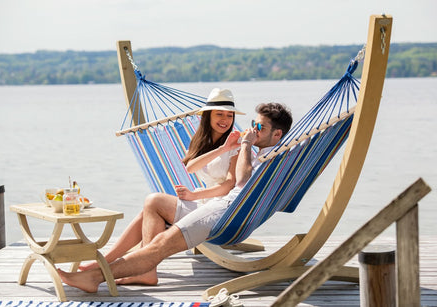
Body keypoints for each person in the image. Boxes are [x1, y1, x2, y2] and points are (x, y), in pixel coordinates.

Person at [58, 102, 293, 293]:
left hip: (225, 213)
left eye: (259, 127)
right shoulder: (272, 154)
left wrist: (244, 144)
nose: (252, 129)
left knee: (159, 245)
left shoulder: (271, 157)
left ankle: (95, 277)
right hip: (223, 209)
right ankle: (137, 271)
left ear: (277, 134)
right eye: (253, 123)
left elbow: (240, 182)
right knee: (155, 209)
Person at [78, 88, 245, 285]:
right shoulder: (204, 140)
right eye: (220, 114)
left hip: (217, 211)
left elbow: (229, 185)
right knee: (147, 212)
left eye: (229, 114)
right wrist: (221, 149)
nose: (225, 119)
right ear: (208, 116)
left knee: (154, 201)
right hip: (204, 203)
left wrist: (192, 195)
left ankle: (140, 269)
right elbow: (191, 167)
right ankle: (109, 261)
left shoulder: (237, 142)